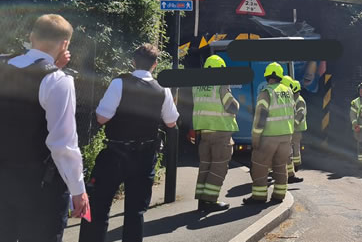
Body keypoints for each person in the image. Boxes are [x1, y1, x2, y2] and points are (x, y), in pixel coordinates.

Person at [0, 13, 89, 241]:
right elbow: (63, 144)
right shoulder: (58, 81)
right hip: (39, 186)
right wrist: (78, 189)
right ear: (65, 44)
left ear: (31, 37)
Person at [79, 43, 179, 242]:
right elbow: (171, 121)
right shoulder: (163, 90)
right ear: (155, 64)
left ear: (133, 62)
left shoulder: (119, 84)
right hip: (145, 157)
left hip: (116, 152)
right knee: (135, 212)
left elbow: (101, 118)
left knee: (98, 206)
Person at [192, 54, 240, 212]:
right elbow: (230, 106)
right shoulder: (221, 83)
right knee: (218, 167)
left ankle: (201, 200)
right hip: (220, 131)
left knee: (205, 166)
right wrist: (237, 103)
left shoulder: (197, 85)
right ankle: (211, 200)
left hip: (204, 132)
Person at [243, 62, 295, 204]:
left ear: (267, 76)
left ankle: (259, 197)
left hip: (269, 136)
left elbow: (260, 118)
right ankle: (279, 195)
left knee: (260, 166)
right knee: (280, 166)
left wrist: (255, 138)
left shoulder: (266, 93)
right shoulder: (288, 91)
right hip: (286, 135)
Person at [282, 77, 307, 183]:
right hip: (291, 128)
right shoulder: (293, 98)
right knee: (290, 149)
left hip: (296, 128)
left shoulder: (299, 100)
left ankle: (295, 166)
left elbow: (300, 113)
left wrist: (294, 125)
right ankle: (291, 170)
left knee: (294, 147)